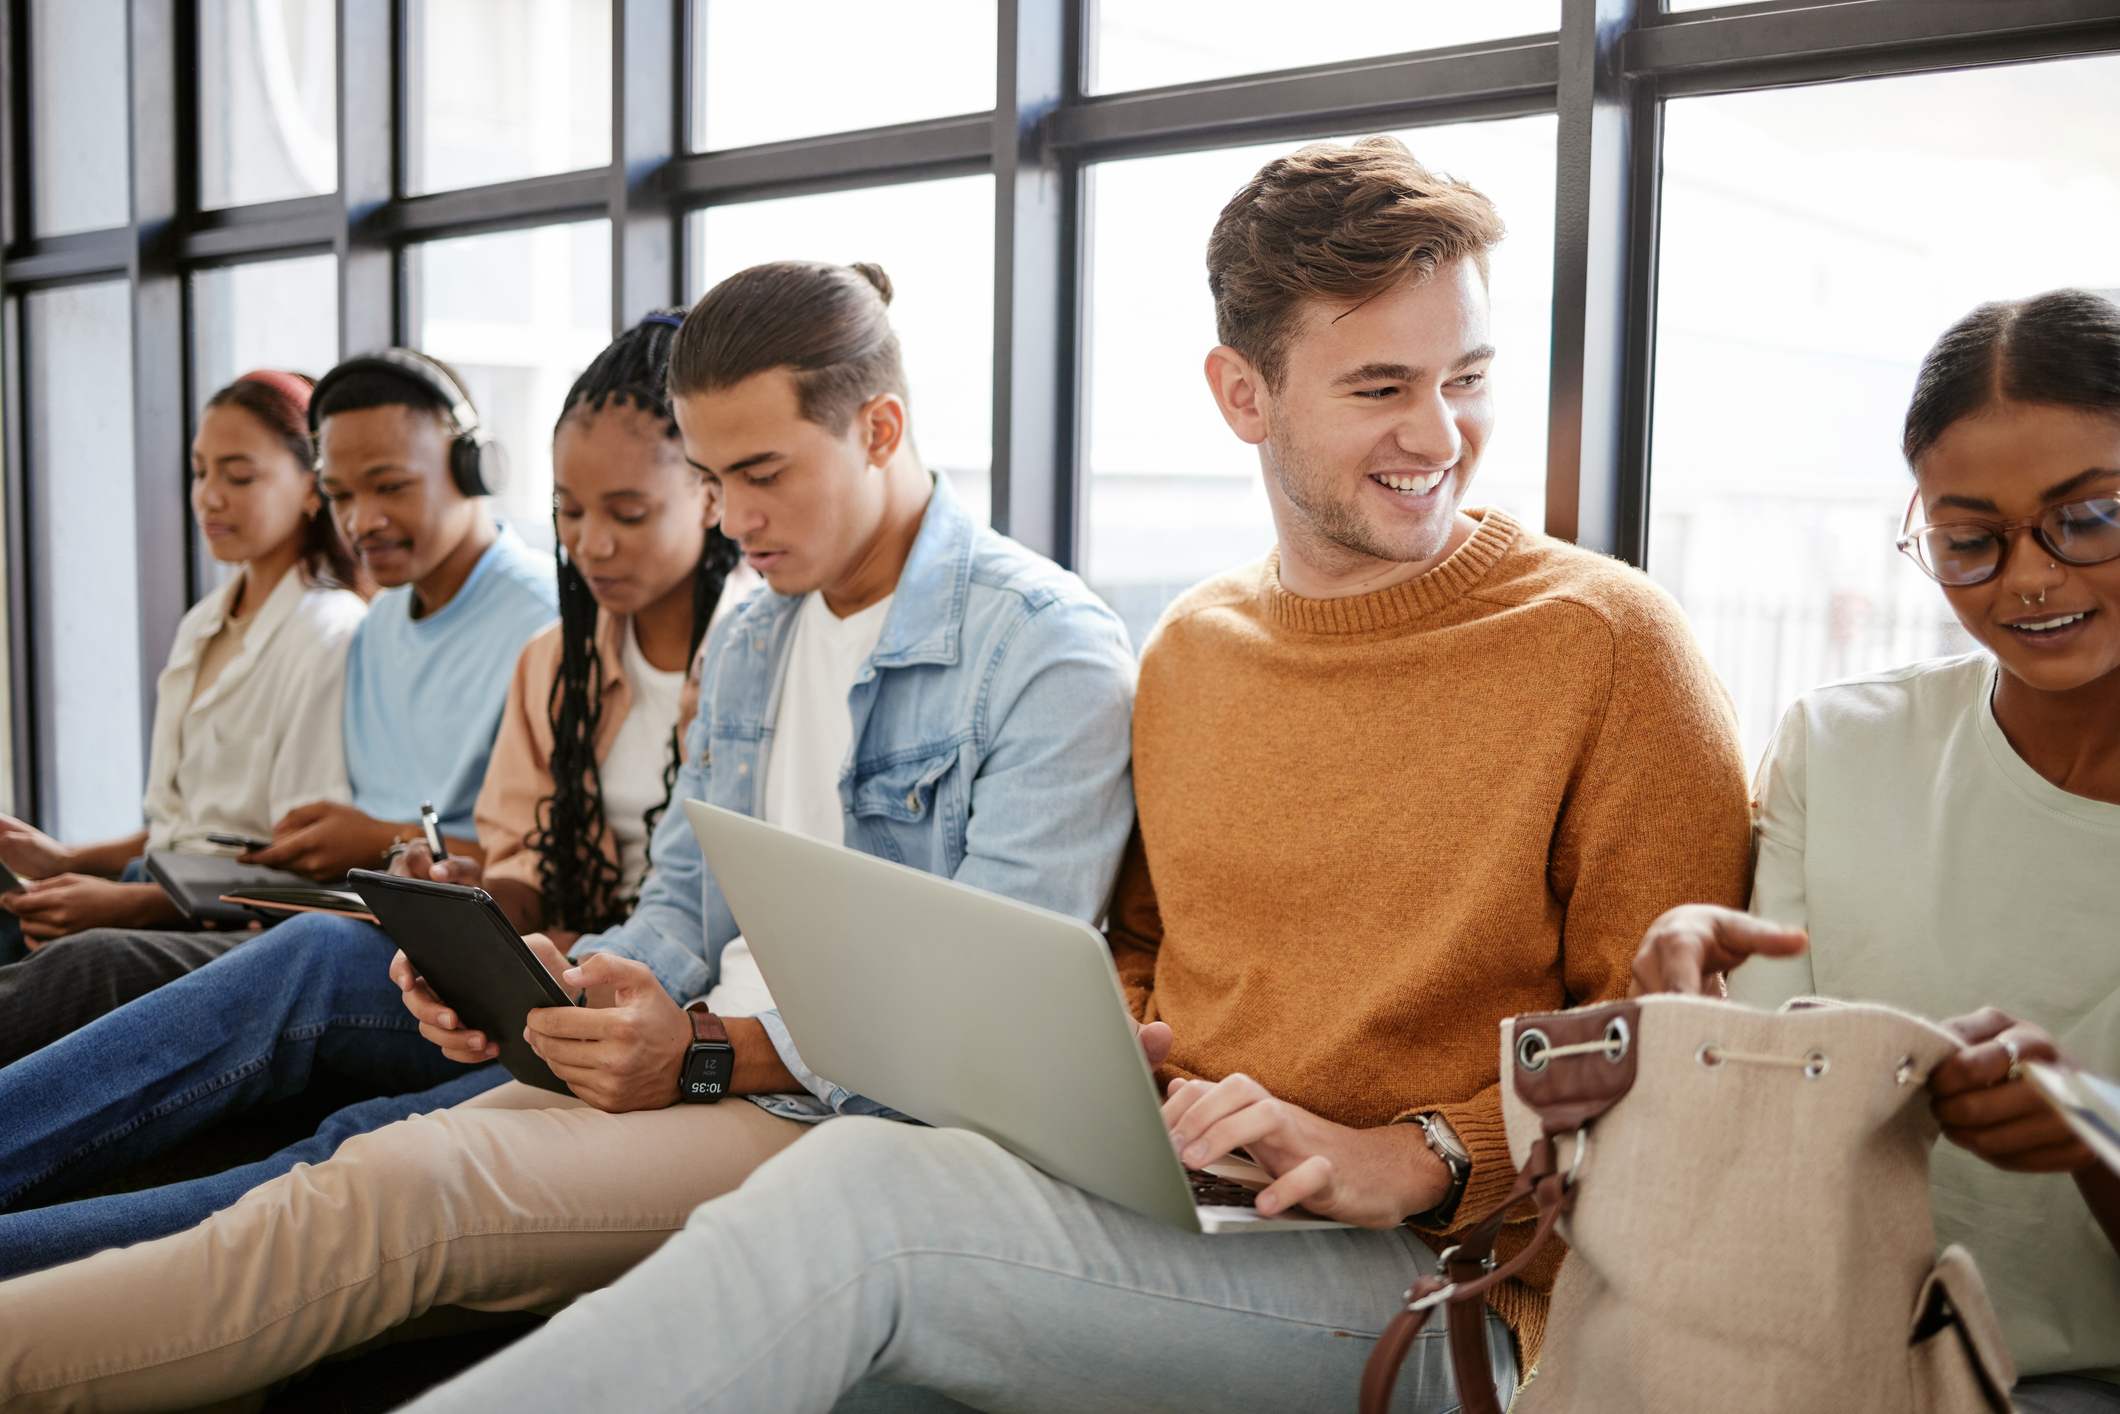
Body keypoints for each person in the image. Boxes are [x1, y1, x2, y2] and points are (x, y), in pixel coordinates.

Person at [344, 135, 1754, 1413]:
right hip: (1197, 1210)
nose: (1439, 435)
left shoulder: (1607, 644)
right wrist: (1120, 1063)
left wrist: (1430, 1148)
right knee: (839, 1360)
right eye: (1381, 385)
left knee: (859, 1203)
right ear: (1240, 394)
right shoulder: (1201, 648)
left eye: (1465, 380)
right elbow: (1143, 947)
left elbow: (1690, 1054)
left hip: (1461, 1280)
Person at [0, 264, 1138, 1414]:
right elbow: (681, 912)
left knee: (394, 1188)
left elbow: (985, 1018)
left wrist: (704, 1050)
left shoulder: (1041, 651)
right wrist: (566, 981)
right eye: (709, 479)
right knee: (356, 1173)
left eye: (761, 474)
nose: (733, 520)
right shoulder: (756, 638)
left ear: (880, 428)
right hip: (710, 1066)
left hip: (852, 1114)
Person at [1629, 291, 2120, 1412]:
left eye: (2085, 517)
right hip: (1820, 1361)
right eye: (1968, 540)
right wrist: (1687, 1028)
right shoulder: (1840, 745)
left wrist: (2091, 1133)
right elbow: (1752, 1166)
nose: (2029, 576)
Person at [0, 351, 557, 1238]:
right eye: (343, 494)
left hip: (414, 940)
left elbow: (530, 859)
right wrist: (364, 849)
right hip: (349, 915)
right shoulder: (379, 628)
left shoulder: (542, 622)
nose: (362, 520)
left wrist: (368, 842)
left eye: (391, 487)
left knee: (107, 960)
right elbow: (365, 835)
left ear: (469, 470)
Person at [0, 372, 367, 1057]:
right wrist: (64, 859)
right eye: (200, 472)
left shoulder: (329, 634)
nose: (209, 497)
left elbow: (300, 867)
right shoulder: (204, 622)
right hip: (158, 886)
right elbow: (186, 827)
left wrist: (129, 903)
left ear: (313, 487)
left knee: (80, 964)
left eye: (239, 476)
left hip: (231, 922)